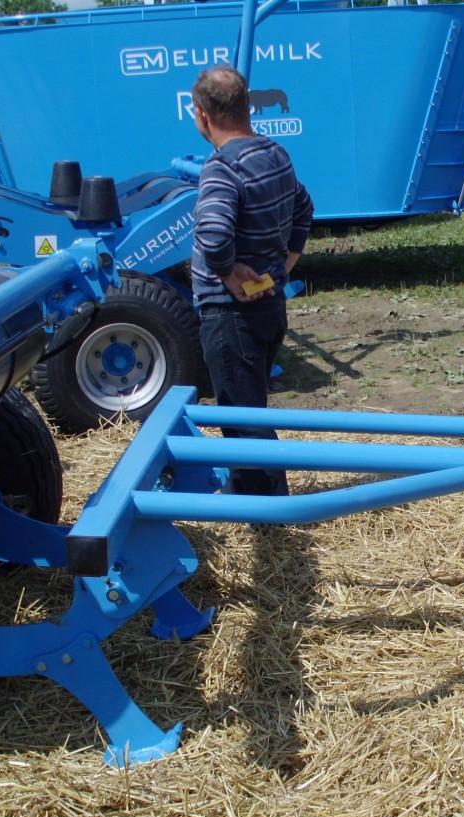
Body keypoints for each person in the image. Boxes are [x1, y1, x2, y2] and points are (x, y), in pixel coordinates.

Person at [190, 66, 314, 497]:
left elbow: (213, 235)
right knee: (249, 408)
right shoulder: (276, 154)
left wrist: (227, 272)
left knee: (243, 419)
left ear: (203, 115)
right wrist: (285, 263)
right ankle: (247, 491)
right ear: (247, 106)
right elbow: (304, 207)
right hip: (268, 305)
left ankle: (268, 511)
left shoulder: (221, 168)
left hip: (230, 315)